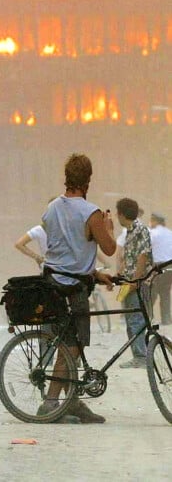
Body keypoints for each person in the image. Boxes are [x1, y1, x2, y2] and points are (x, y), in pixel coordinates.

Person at [38, 153, 115, 424]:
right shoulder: (90, 213)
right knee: (71, 345)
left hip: (52, 282)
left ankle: (71, 402)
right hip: (73, 288)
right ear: (88, 180)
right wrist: (107, 227)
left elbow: (64, 251)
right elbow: (109, 248)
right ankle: (50, 403)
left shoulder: (52, 209)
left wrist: (94, 272)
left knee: (69, 342)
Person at [116, 198, 153, 368]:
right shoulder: (130, 231)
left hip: (137, 283)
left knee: (137, 320)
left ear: (122, 214)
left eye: (118, 214)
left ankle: (141, 356)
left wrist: (136, 281)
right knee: (131, 320)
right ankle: (138, 355)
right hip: (129, 282)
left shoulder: (140, 230)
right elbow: (128, 257)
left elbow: (143, 256)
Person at [148, 212, 172, 325]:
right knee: (165, 293)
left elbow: (147, 249)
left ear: (154, 221)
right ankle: (166, 319)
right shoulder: (170, 233)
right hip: (170, 267)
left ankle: (147, 317)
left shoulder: (152, 233)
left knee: (152, 293)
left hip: (158, 266)